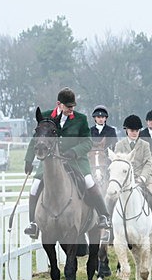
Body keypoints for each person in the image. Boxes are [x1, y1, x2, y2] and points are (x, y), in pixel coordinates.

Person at [23, 87, 111, 239]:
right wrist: (28, 159)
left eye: (73, 106)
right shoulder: (45, 117)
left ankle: (103, 216)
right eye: (69, 106)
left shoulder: (81, 119)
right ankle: (33, 223)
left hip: (75, 161)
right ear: (59, 104)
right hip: (50, 163)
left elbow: (88, 142)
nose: (72, 109)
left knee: (89, 182)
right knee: (35, 186)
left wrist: (74, 152)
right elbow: (36, 139)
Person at [113, 114, 152, 240]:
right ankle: (109, 227)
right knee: (110, 197)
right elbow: (117, 163)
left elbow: (148, 163)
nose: (135, 133)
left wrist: (142, 178)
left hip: (144, 179)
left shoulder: (145, 145)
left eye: (137, 131)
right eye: (132, 130)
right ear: (126, 130)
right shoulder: (119, 145)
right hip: (124, 180)